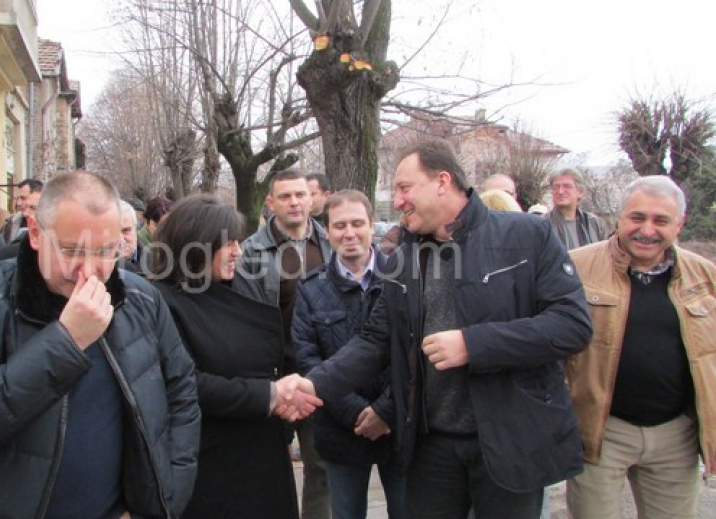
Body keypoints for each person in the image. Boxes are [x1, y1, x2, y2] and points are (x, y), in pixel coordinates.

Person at [289, 139, 593, 519]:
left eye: (404, 188)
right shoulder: (404, 259)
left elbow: (571, 325)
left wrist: (473, 344)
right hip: (431, 448)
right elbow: (375, 340)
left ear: (443, 182)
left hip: (508, 442)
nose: (397, 201)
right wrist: (314, 385)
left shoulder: (527, 236)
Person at [0, 171, 201, 518]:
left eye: (105, 251)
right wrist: (67, 341)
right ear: (35, 233)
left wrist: (164, 502)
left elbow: (182, 396)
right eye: (71, 251)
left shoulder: (141, 299)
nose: (89, 270)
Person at [149, 194, 314, 519]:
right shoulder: (162, 303)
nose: (238, 251)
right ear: (197, 246)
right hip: (210, 462)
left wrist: (281, 394)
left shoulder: (236, 284)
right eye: (228, 244)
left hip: (260, 453)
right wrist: (270, 394)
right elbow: (185, 384)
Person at [565, 175, 716, 519]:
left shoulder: (705, 276)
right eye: (637, 217)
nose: (647, 230)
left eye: (660, 220)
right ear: (619, 217)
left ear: (679, 224)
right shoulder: (575, 267)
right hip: (600, 432)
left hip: (675, 434)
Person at [292, 190, 405, 519]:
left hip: (398, 425)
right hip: (340, 430)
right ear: (327, 231)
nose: (349, 233)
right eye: (340, 225)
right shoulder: (310, 288)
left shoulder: (404, 279)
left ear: (372, 225)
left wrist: (385, 411)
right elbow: (308, 359)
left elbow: (414, 351)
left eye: (357, 223)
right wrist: (357, 413)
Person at [236, 169, 332, 519]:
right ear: (270, 202)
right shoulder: (251, 252)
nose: (294, 202)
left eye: (300, 194)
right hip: (273, 377)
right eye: (285, 196)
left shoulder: (330, 243)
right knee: (267, 469)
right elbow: (246, 320)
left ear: (311, 198)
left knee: (320, 466)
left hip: (319, 374)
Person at [547, 168, 607, 249]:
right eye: (556, 187)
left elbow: (606, 253)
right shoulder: (542, 225)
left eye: (567, 186)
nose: (560, 191)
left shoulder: (594, 223)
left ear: (580, 192)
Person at [0, 178, 44, 243]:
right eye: (17, 198)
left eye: (23, 198)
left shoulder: (52, 225)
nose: (18, 203)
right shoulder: (10, 223)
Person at [117, 198, 144, 275]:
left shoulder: (157, 265)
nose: (120, 240)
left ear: (136, 230)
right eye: (113, 233)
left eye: (125, 230)